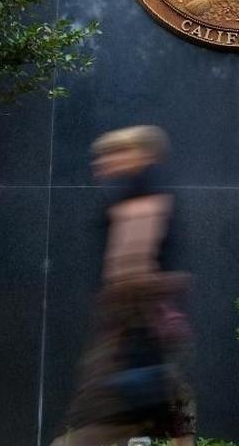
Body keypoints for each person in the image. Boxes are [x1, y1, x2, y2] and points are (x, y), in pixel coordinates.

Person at [51, 126, 196, 446]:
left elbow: (131, 261)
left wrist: (122, 300)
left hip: (132, 324)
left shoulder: (141, 195)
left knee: (106, 412)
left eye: (115, 154)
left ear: (141, 154)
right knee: (172, 397)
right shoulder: (142, 191)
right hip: (147, 325)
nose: (103, 163)